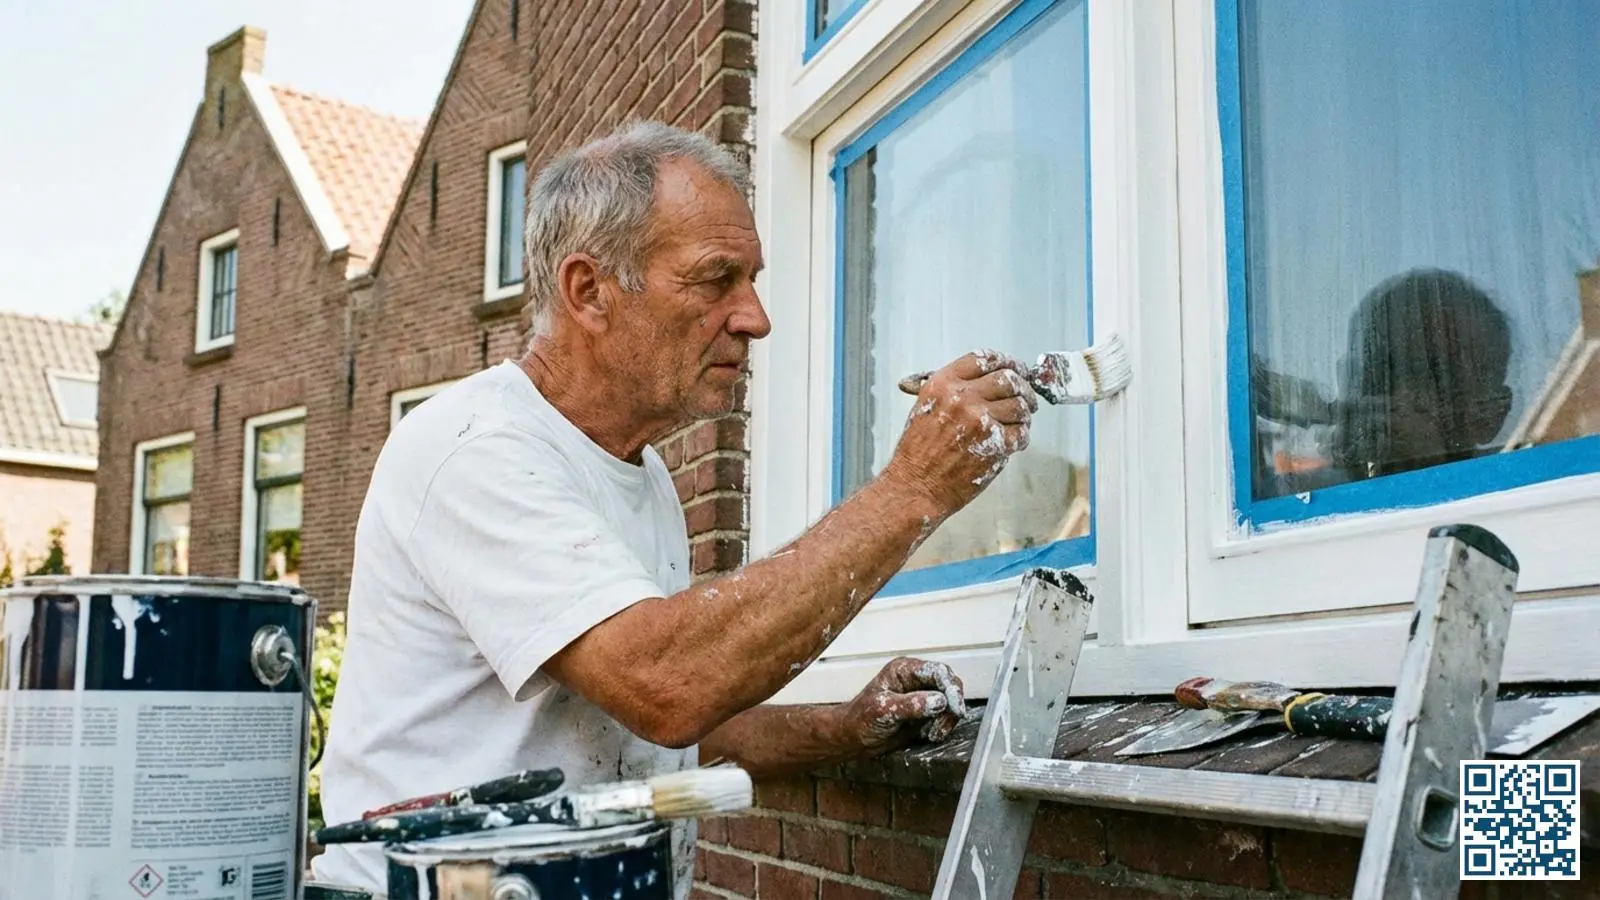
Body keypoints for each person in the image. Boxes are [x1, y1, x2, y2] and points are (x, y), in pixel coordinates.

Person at [310, 120, 1039, 894]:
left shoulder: (643, 473)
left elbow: (654, 729)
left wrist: (842, 729)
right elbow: (668, 686)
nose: (754, 317)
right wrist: (913, 489)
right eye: (715, 278)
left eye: (752, 280)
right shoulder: (474, 451)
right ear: (589, 291)